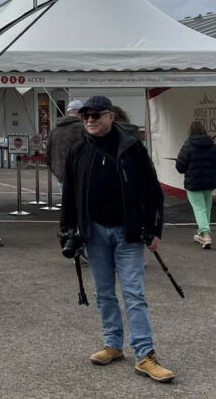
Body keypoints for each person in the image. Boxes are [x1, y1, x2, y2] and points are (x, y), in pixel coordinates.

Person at [60, 95, 173, 383]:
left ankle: (144, 354)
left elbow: (151, 190)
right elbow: (69, 196)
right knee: (104, 292)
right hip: (94, 232)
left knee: (134, 293)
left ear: (110, 116)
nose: (89, 120)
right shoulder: (77, 151)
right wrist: (68, 233)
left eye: (95, 115)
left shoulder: (132, 147)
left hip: (127, 232)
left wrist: (154, 229)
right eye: (85, 116)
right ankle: (113, 344)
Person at [175, 120, 216, 249]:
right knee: (206, 208)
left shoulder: (188, 146)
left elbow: (180, 166)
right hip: (209, 182)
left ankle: (206, 234)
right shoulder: (213, 146)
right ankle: (200, 233)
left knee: (199, 208)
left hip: (193, 182)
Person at [46, 99, 86, 193]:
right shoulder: (84, 129)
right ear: (81, 113)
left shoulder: (55, 130)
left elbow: (48, 154)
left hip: (61, 174)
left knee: (67, 204)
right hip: (81, 175)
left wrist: (56, 170)